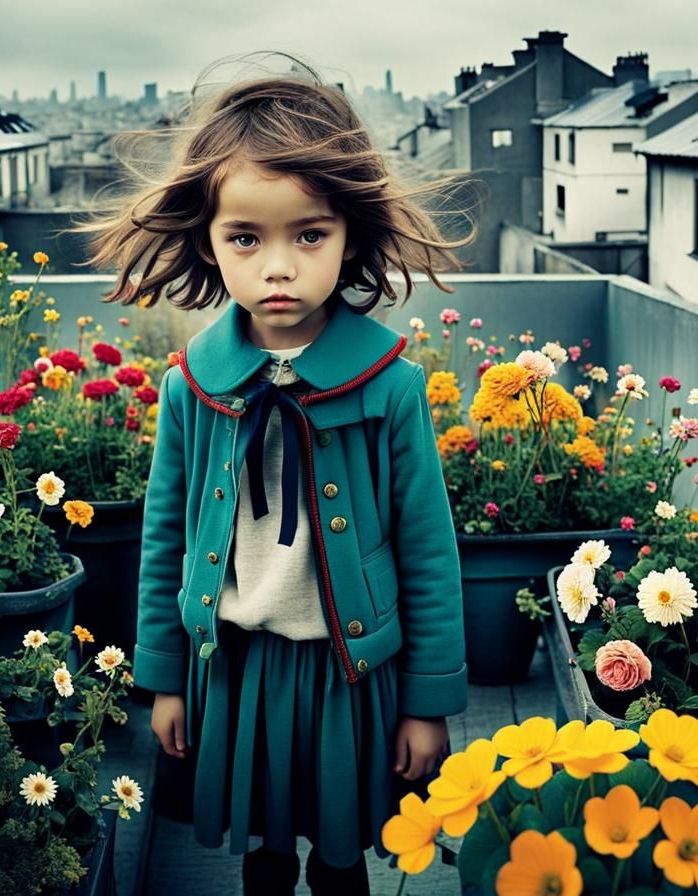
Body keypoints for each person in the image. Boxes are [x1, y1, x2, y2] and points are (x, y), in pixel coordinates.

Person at [86, 60, 471, 896]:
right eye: (246, 239)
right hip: (235, 665)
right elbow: (165, 538)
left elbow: (429, 551)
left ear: (349, 236)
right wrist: (162, 679)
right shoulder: (191, 385)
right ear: (209, 241)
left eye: (310, 235)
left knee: (340, 857)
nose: (279, 268)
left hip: (350, 671)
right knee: (260, 853)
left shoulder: (391, 388)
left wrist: (427, 702)